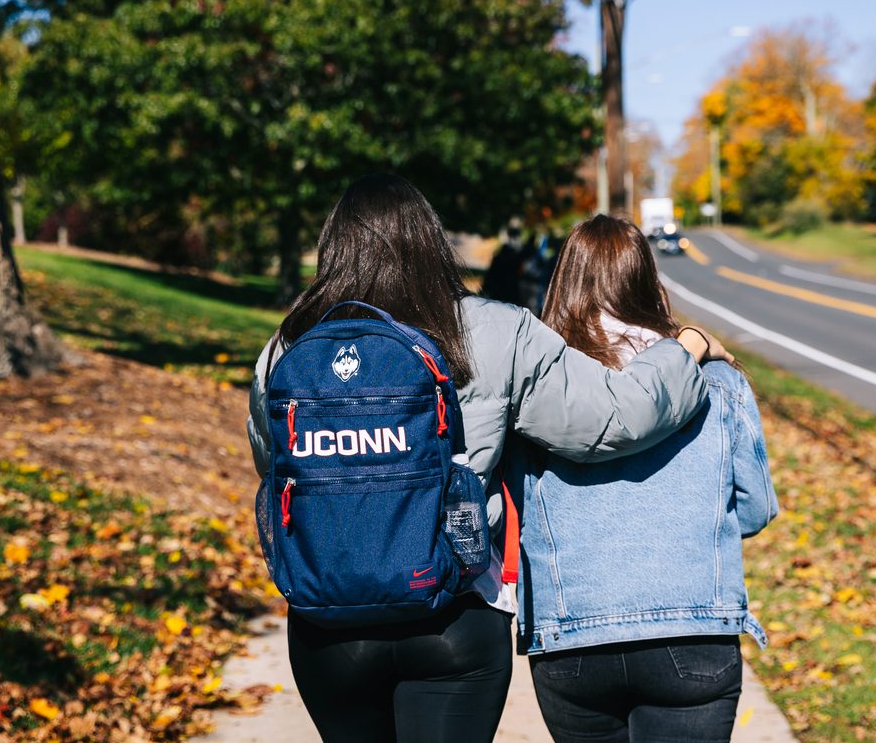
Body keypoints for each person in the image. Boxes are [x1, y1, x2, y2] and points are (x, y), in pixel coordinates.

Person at [247, 175, 731, 743]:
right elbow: (616, 419)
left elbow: (273, 465)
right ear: (430, 242)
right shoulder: (496, 330)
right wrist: (686, 345)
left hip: (326, 620)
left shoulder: (289, 347)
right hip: (454, 615)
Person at [515, 214, 778, 743]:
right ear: (647, 280)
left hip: (572, 636)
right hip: (691, 631)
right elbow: (753, 510)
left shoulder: (537, 388)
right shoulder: (716, 379)